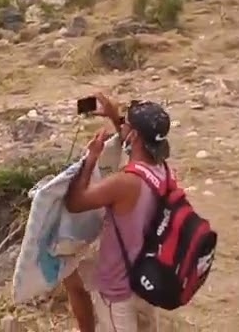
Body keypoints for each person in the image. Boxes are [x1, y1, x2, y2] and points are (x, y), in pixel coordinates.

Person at [64, 94, 174, 332]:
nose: (122, 126)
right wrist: (115, 117)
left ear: (133, 136)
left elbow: (75, 202)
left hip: (119, 289)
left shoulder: (124, 183)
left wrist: (92, 157)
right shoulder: (163, 170)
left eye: (126, 124)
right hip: (147, 278)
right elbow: (133, 141)